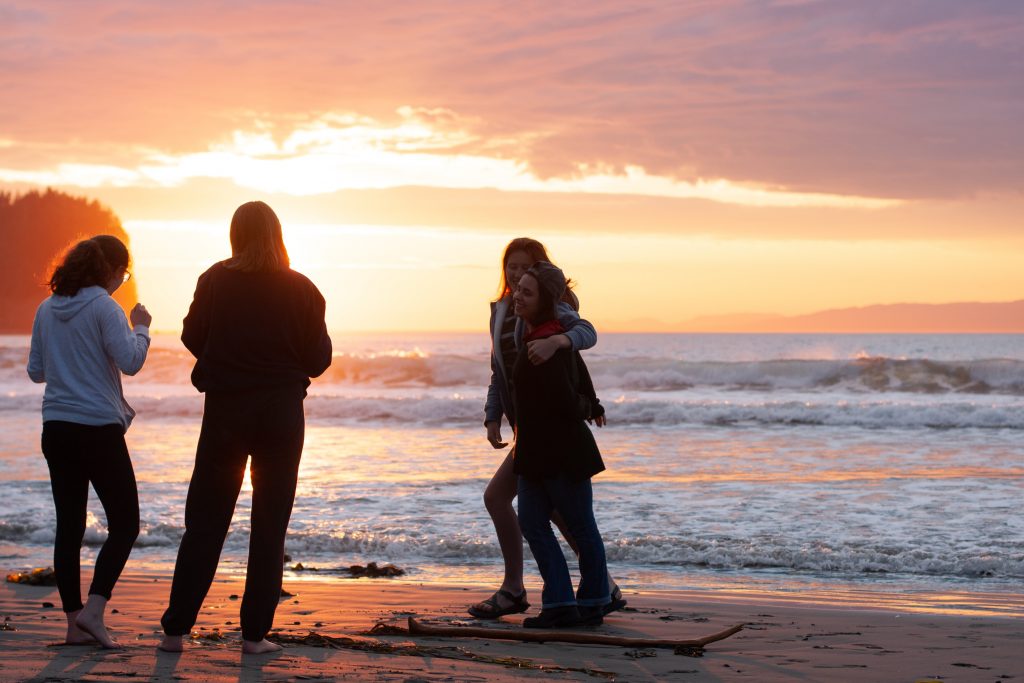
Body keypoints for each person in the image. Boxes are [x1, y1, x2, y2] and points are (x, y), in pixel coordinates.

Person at [159, 201, 332, 654]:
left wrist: (227, 356)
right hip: (280, 412)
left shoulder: (214, 278)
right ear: (277, 234)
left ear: (234, 235)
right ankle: (254, 636)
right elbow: (319, 359)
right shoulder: (303, 288)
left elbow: (192, 335)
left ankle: (176, 631)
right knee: (270, 524)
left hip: (226, 410)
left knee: (204, 520)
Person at [470, 238, 623, 619]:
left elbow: (587, 332)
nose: (517, 275)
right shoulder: (502, 311)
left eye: (526, 268)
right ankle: (596, 589)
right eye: (511, 267)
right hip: (528, 431)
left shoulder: (553, 309)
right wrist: (493, 415)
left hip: (549, 432)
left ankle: (520, 589)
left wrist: (558, 340)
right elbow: (499, 370)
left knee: (519, 504)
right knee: (541, 511)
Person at [27, 235, 152, 648]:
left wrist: (70, 359)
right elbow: (131, 362)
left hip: (57, 427)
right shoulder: (104, 306)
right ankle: (95, 612)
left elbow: (36, 371)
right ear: (111, 270)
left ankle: (72, 622)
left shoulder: (47, 308)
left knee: (69, 527)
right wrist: (142, 328)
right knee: (126, 523)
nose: (122, 281)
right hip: (97, 428)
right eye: (123, 273)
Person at [512, 261, 610, 627]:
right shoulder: (540, 335)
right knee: (533, 522)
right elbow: (579, 374)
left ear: (546, 301)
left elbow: (569, 399)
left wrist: (590, 405)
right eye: (517, 289)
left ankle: (593, 601)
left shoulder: (549, 342)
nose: (518, 297)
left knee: (581, 527)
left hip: (562, 453)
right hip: (535, 454)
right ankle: (561, 603)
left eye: (527, 292)